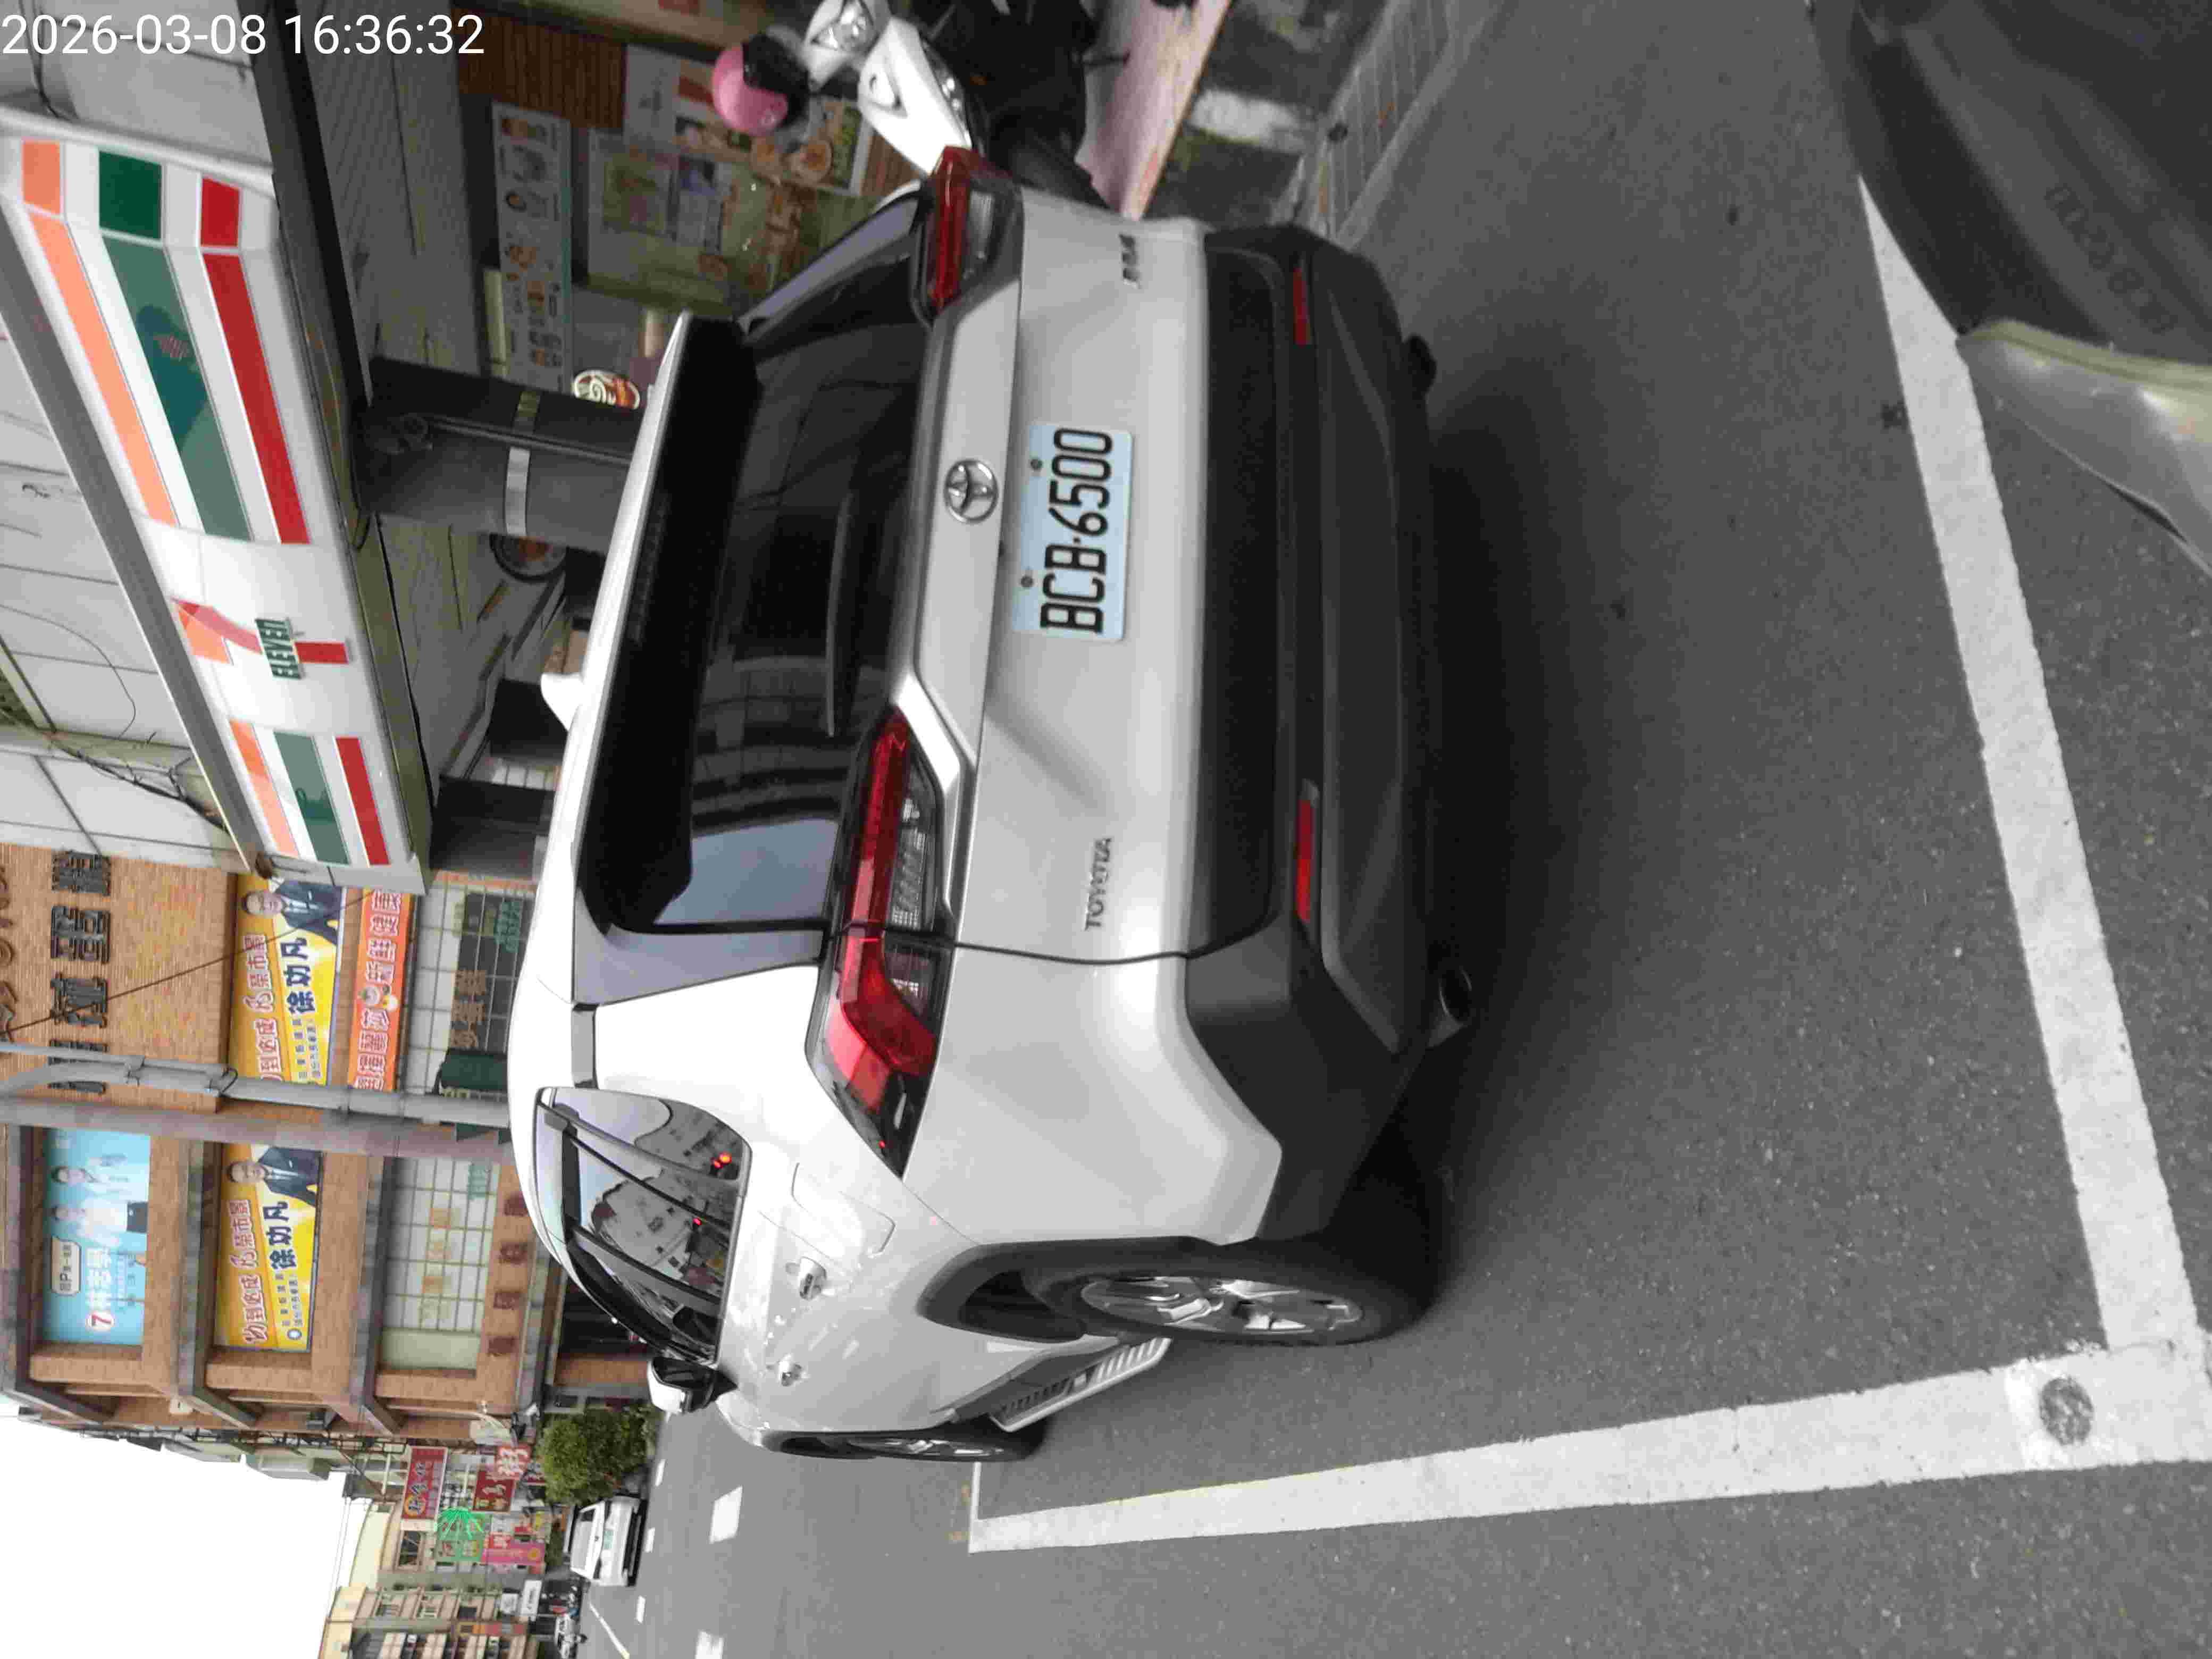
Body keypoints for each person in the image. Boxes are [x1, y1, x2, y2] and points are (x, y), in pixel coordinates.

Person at [241, 881, 344, 947]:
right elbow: (326, 933)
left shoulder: (293, 882)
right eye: (263, 909)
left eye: (262, 899)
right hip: (346, 916)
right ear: (267, 916)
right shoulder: (293, 922)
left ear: (266, 892)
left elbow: (332, 884)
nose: (268, 905)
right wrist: (343, 946)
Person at [227, 1147, 321, 1208]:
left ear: (249, 1161)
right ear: (250, 1183)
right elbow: (305, 1196)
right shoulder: (274, 1188)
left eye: (245, 1168)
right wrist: (322, 1206)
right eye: (246, 1177)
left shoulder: (275, 1151)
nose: (251, 1173)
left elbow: (314, 1155)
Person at [52, 1199, 148, 1241]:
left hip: (134, 1207)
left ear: (68, 1206)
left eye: (66, 1209)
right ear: (68, 1221)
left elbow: (114, 1196)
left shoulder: (88, 1201)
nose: (70, 1212)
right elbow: (112, 1241)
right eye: (66, 1215)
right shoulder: (85, 1230)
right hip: (131, 1224)